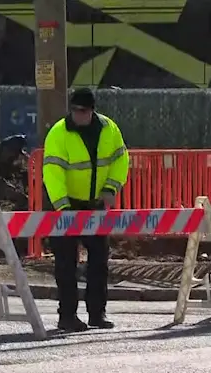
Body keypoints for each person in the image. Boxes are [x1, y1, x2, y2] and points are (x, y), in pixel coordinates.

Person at [42, 88, 129, 332]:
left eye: (83, 111)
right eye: (75, 111)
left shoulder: (109, 129)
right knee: (66, 263)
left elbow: (121, 159)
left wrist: (111, 189)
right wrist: (63, 206)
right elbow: (52, 171)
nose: (78, 115)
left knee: (99, 261)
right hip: (66, 204)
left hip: (95, 204)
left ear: (92, 111)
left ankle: (96, 313)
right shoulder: (59, 133)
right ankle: (67, 316)